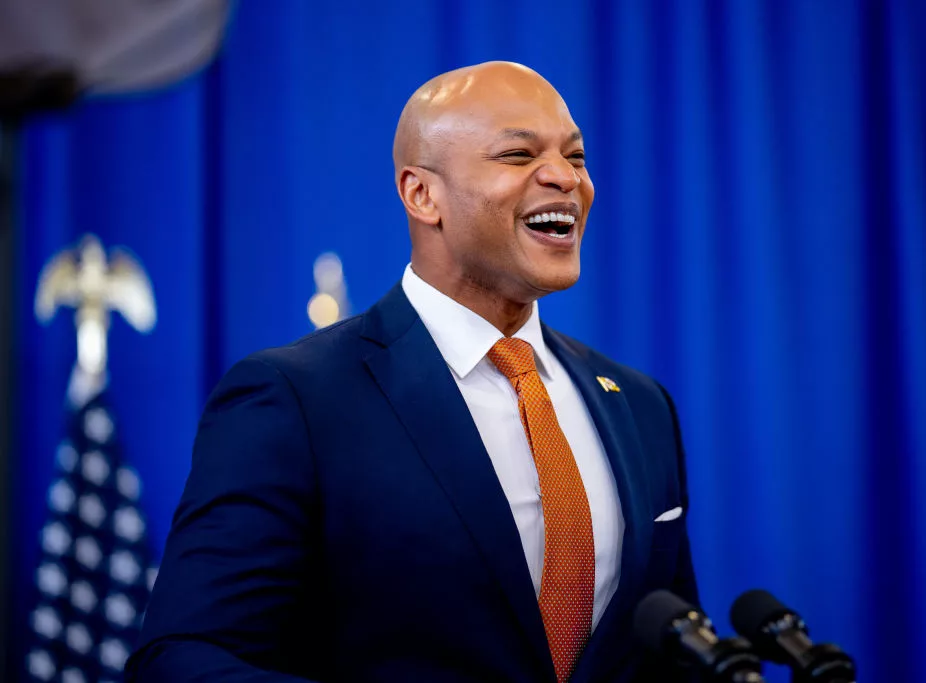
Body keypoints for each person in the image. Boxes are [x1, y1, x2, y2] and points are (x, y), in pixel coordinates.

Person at [126, 61, 699, 683]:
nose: (565, 177)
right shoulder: (296, 398)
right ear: (422, 195)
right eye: (517, 154)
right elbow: (183, 658)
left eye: (577, 156)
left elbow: (670, 648)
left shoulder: (641, 405)